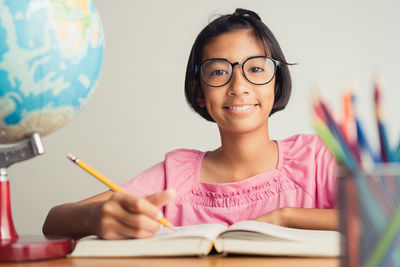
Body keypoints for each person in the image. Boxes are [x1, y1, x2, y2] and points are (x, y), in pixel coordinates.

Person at [43, 8, 338, 240]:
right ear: (199, 92)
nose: (239, 86)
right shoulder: (178, 176)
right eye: (220, 72)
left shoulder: (313, 160)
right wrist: (95, 218)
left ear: (277, 81)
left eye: (256, 68)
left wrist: (283, 217)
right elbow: (53, 221)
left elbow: (377, 220)